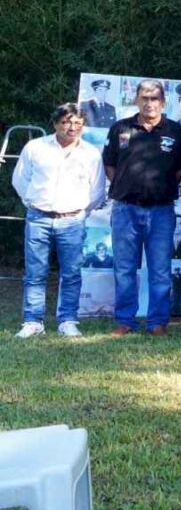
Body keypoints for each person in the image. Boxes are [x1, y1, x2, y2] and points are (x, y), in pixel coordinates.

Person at [11, 103, 106, 338]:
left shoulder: (91, 154)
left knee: (71, 273)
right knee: (35, 272)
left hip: (72, 220)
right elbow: (20, 180)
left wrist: (81, 211)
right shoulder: (35, 147)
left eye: (77, 123)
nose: (71, 127)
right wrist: (32, 202)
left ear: (83, 125)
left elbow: (97, 190)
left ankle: (68, 320)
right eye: (65, 122)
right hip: (38, 218)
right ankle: (33, 322)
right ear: (55, 123)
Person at [103, 79, 181, 337]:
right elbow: (110, 166)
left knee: (160, 269)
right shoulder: (121, 128)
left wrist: (155, 189)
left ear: (163, 102)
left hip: (161, 211)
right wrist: (130, 185)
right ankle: (125, 321)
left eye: (154, 98)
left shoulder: (176, 131)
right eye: (145, 98)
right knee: (125, 269)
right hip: (125, 210)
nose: (149, 103)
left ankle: (157, 323)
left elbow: (180, 170)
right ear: (137, 100)